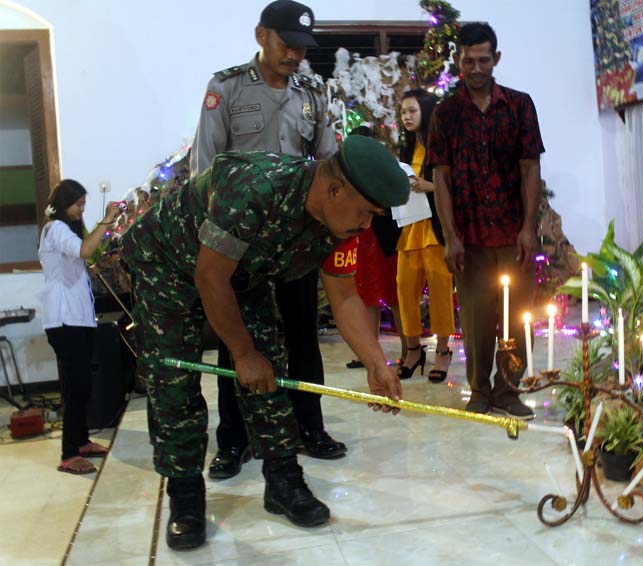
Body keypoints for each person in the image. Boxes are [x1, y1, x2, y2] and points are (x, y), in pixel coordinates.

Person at [121, 135, 409, 550]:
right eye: (366, 213)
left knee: (268, 374)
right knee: (174, 382)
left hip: (241, 272)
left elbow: (344, 295)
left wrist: (375, 363)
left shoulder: (342, 223)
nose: (367, 224)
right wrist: (241, 352)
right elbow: (208, 277)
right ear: (333, 189)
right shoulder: (256, 189)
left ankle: (283, 482)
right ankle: (185, 497)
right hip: (169, 263)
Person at [190, 0, 346, 477]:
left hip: (296, 240)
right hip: (241, 241)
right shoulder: (228, 88)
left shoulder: (313, 93)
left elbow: (329, 163)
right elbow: (205, 166)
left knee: (303, 334)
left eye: (302, 48)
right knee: (236, 336)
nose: (295, 56)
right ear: (262, 36)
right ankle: (233, 441)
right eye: (287, 44)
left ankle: (309, 426)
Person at [429, 22, 544, 419]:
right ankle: (479, 391)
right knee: (476, 319)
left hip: (515, 236)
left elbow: (531, 169)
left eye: (483, 60)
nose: (475, 68)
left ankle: (508, 390)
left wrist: (529, 228)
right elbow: (439, 177)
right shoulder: (445, 114)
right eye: (468, 61)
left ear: (495, 59)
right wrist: (450, 237)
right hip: (470, 238)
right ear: (459, 62)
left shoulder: (519, 105)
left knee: (518, 317)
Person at [38, 180, 120, 474]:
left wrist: (100, 264)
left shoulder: (64, 230)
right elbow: (85, 251)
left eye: (84, 204)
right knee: (77, 387)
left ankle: (82, 441)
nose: (81, 209)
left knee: (81, 386)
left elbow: (82, 261)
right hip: (64, 319)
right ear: (64, 204)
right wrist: (106, 221)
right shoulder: (56, 228)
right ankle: (68, 454)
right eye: (79, 204)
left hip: (78, 317)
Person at [396, 89, 455, 382]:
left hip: (435, 228)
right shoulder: (406, 149)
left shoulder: (442, 145)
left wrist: (429, 186)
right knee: (404, 287)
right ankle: (412, 349)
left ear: (427, 112)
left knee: (440, 288)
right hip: (409, 225)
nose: (406, 116)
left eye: (412, 111)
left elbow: (455, 184)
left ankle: (443, 352)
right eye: (403, 111)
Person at [345, 125, 407, 370]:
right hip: (361, 237)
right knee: (365, 297)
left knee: (396, 297)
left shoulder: (386, 166)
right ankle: (369, 355)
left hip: (385, 238)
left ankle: (408, 352)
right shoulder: (347, 171)